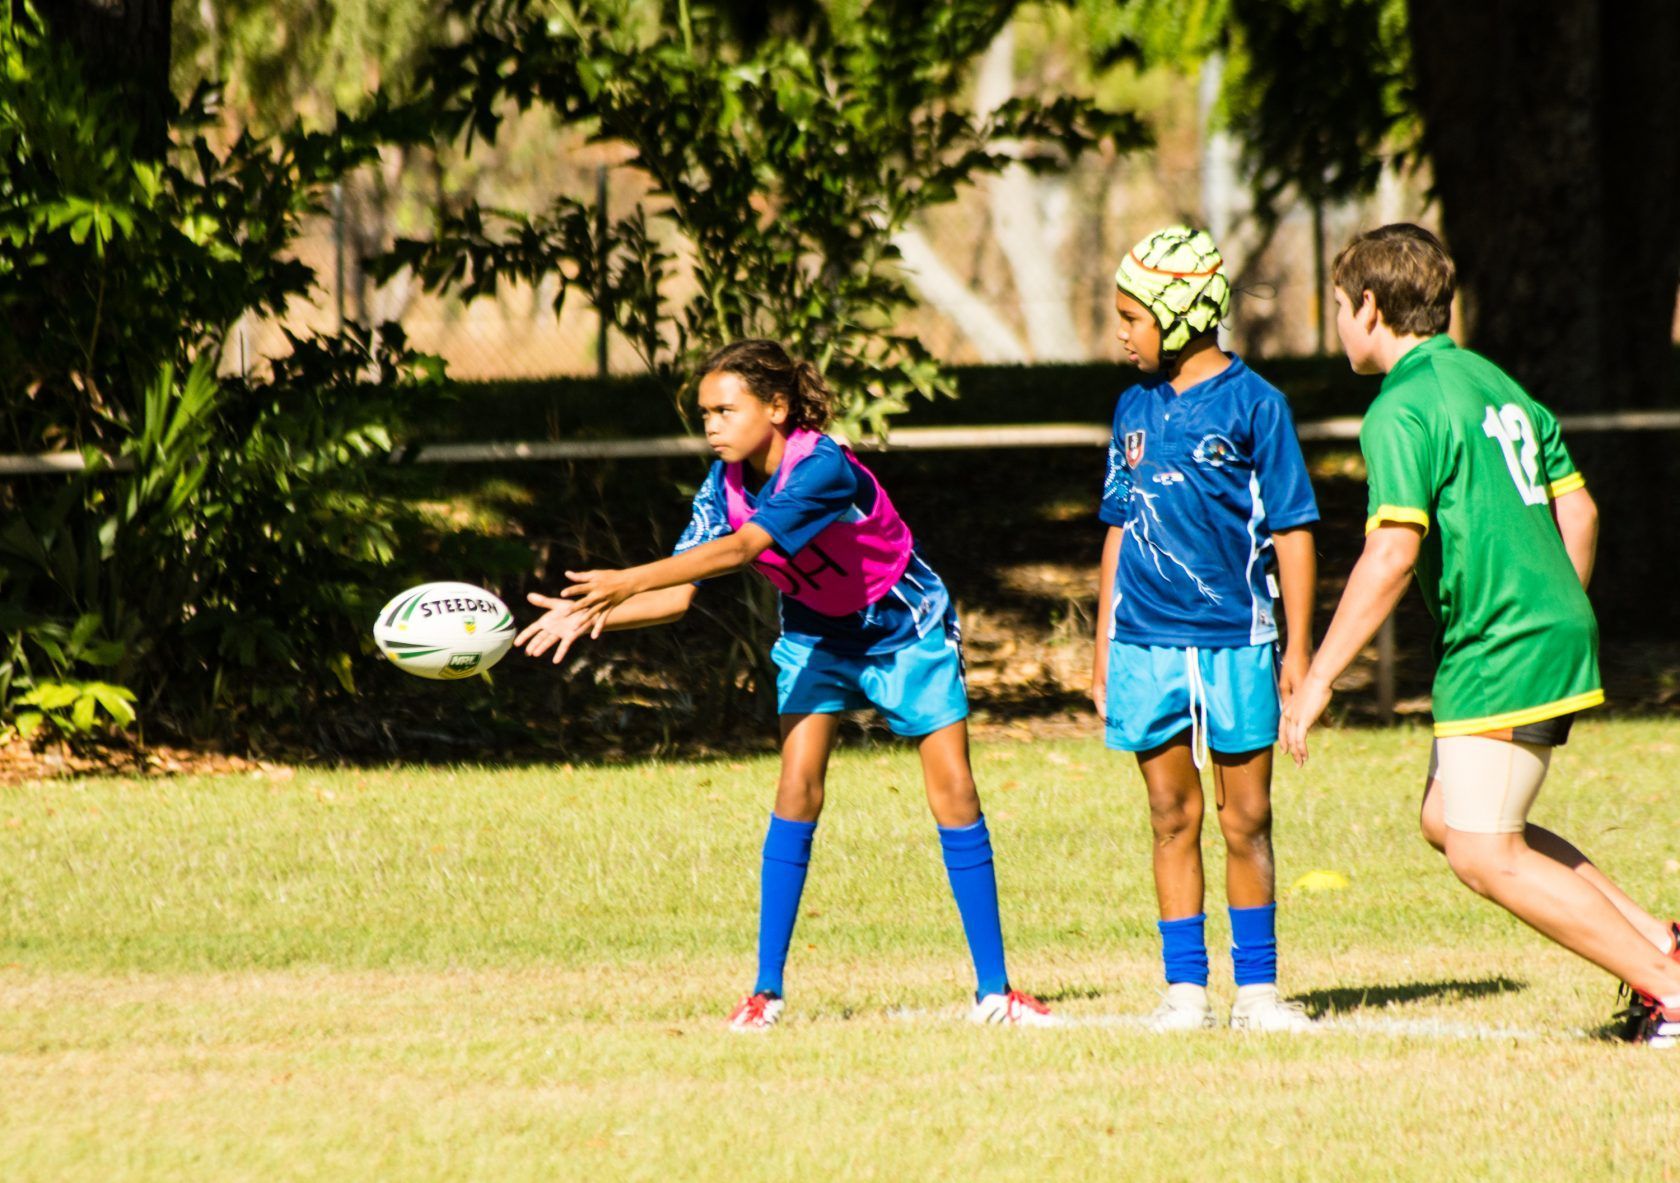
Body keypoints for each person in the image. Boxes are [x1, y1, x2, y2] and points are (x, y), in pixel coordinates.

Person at [516, 338, 1055, 1031]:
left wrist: (622, 577)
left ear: (777, 407)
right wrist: (591, 611)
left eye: (725, 409)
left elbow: (743, 550)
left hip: (906, 628)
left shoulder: (821, 466)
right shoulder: (724, 485)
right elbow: (679, 596)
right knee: (797, 787)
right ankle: (766, 991)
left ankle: (995, 990)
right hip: (816, 634)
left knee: (953, 789)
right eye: (704, 413)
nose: (711, 425)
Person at [1280, 222, 1680, 1047]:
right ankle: (1662, 944)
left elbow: (1392, 552)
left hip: (1502, 644)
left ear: (1368, 306)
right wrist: (1556, 601)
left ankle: (1669, 989)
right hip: (1542, 627)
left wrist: (1318, 676)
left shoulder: (1400, 409)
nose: (1339, 326)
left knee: (1482, 852)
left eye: (1339, 308)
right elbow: (1581, 507)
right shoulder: (1496, 384)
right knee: (1446, 817)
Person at [1094, 225, 1320, 1033]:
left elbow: (1293, 528)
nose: (1121, 333)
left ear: (1181, 316)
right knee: (1169, 816)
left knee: (1245, 817)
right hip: (1146, 643)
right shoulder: (1131, 406)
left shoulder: (1260, 406)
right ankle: (1184, 990)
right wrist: (1102, 651)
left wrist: (1296, 649)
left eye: (1132, 317)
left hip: (1237, 642)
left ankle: (1257, 992)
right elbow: (1117, 527)